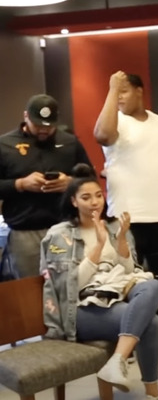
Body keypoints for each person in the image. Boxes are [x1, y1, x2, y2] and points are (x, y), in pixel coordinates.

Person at [41, 164, 158, 399]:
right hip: (80, 309)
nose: (95, 202)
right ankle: (151, 391)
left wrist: (120, 242)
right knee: (152, 323)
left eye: (99, 195)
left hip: (115, 296)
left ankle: (117, 361)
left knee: (154, 285)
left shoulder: (113, 226)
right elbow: (69, 288)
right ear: (74, 202)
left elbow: (130, 272)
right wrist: (98, 247)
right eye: (86, 197)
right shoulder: (60, 235)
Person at [94, 71, 158, 346]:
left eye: (124, 91)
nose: (119, 96)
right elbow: (102, 135)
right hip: (126, 218)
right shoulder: (114, 122)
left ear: (140, 91)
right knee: (127, 280)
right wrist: (112, 88)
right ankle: (130, 334)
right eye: (116, 92)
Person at [0, 94, 92, 278]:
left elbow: (91, 179)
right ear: (26, 116)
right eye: (38, 124)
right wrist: (20, 184)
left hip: (65, 227)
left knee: (71, 285)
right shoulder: (4, 145)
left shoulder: (70, 143)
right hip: (25, 233)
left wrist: (71, 183)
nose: (44, 129)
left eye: (49, 126)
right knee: (30, 289)